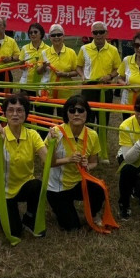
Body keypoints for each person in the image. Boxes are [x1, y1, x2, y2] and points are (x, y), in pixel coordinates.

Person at [45, 95, 104, 230]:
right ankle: (60, 206)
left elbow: (94, 162)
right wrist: (68, 159)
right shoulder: (56, 133)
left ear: (87, 113)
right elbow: (47, 163)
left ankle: (94, 214)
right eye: (72, 110)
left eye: (80, 110)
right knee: (72, 228)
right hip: (57, 186)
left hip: (79, 182)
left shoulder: (92, 135)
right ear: (66, 114)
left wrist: (87, 165)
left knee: (99, 189)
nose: (76, 114)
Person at [0, 94, 47, 236]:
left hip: (25, 186)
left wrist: (52, 141)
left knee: (37, 185)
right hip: (4, 191)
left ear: (26, 114)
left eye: (20, 110)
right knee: (15, 232)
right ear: (4, 114)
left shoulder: (33, 134)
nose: (15, 114)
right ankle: (4, 209)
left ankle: (29, 217)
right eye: (11, 110)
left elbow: (47, 160)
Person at [76, 21, 120, 104]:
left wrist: (110, 76)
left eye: (101, 32)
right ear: (92, 34)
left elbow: (118, 69)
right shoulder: (84, 49)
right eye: (95, 33)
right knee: (88, 115)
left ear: (106, 33)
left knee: (104, 116)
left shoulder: (113, 50)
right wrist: (82, 76)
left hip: (106, 86)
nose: (98, 35)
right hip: (88, 87)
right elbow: (78, 66)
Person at [45, 24, 79, 101]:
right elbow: (38, 71)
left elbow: (76, 71)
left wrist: (65, 74)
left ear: (63, 36)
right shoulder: (44, 53)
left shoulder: (71, 52)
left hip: (65, 92)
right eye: (53, 35)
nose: (56, 37)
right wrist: (43, 66)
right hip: (48, 92)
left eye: (59, 35)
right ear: (50, 37)